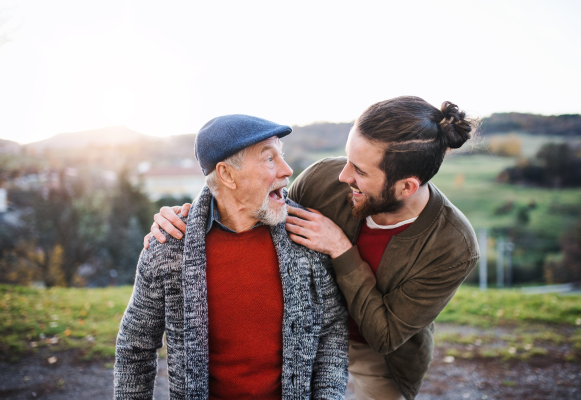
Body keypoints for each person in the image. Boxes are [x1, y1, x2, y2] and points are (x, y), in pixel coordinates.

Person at [146, 97, 480, 400]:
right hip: (305, 332)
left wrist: (341, 248)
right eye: (348, 159)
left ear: (406, 186)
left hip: (381, 356)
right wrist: (185, 222)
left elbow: (386, 335)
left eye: (360, 171)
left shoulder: (453, 245)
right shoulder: (324, 178)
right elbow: (255, 206)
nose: (343, 175)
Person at [115, 115, 349, 400]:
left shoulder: (307, 235)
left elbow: (332, 334)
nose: (287, 170)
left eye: (282, 156)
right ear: (227, 174)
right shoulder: (169, 246)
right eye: (269, 159)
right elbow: (135, 347)